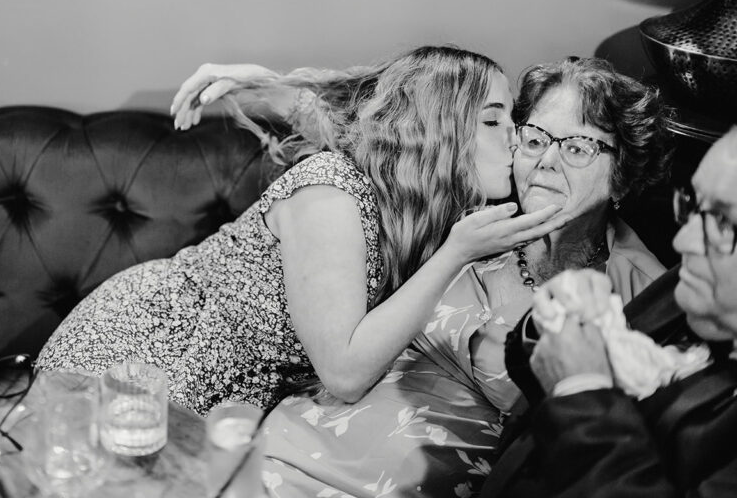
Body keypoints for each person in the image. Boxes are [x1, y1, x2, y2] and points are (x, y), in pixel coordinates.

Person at [180, 56, 673, 497]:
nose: (545, 160)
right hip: (277, 455)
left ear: (623, 173)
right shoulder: (468, 207)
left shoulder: (641, 292)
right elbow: (402, 119)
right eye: (536, 138)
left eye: (579, 147)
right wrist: (257, 85)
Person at [36, 46, 570, 416]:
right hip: (147, 353)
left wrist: (267, 83)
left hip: (219, 395)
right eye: (494, 120)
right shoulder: (332, 193)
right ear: (441, 134)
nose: (516, 137)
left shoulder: (415, 198)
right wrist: (455, 254)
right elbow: (344, 373)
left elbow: (330, 118)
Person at [479, 126, 737, 498]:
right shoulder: (694, 281)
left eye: (726, 224)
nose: (683, 241)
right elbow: (533, 382)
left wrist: (583, 391)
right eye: (696, 207)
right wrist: (558, 316)